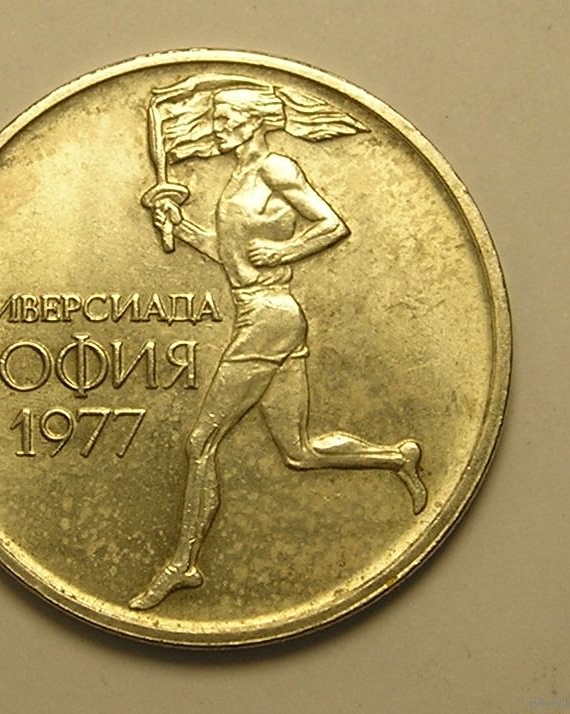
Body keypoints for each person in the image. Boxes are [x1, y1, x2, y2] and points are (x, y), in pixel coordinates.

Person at [129, 87, 427, 610]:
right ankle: (397, 457)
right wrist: (183, 227)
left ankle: (184, 564)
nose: (217, 126)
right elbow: (230, 255)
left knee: (201, 441)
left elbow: (332, 224)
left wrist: (286, 249)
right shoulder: (238, 178)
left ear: (254, 120)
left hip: (268, 319)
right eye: (216, 118)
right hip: (269, 316)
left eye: (225, 117)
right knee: (299, 452)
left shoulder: (275, 168)